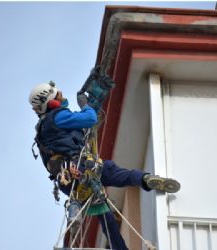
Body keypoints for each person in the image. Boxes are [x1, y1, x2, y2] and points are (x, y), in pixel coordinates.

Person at [29, 81, 181, 249]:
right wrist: (85, 105)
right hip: (82, 169)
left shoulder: (45, 129)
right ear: (51, 102)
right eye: (58, 94)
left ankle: (87, 220)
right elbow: (90, 118)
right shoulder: (58, 117)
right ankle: (146, 179)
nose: (62, 95)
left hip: (68, 182)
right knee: (120, 174)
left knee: (106, 216)